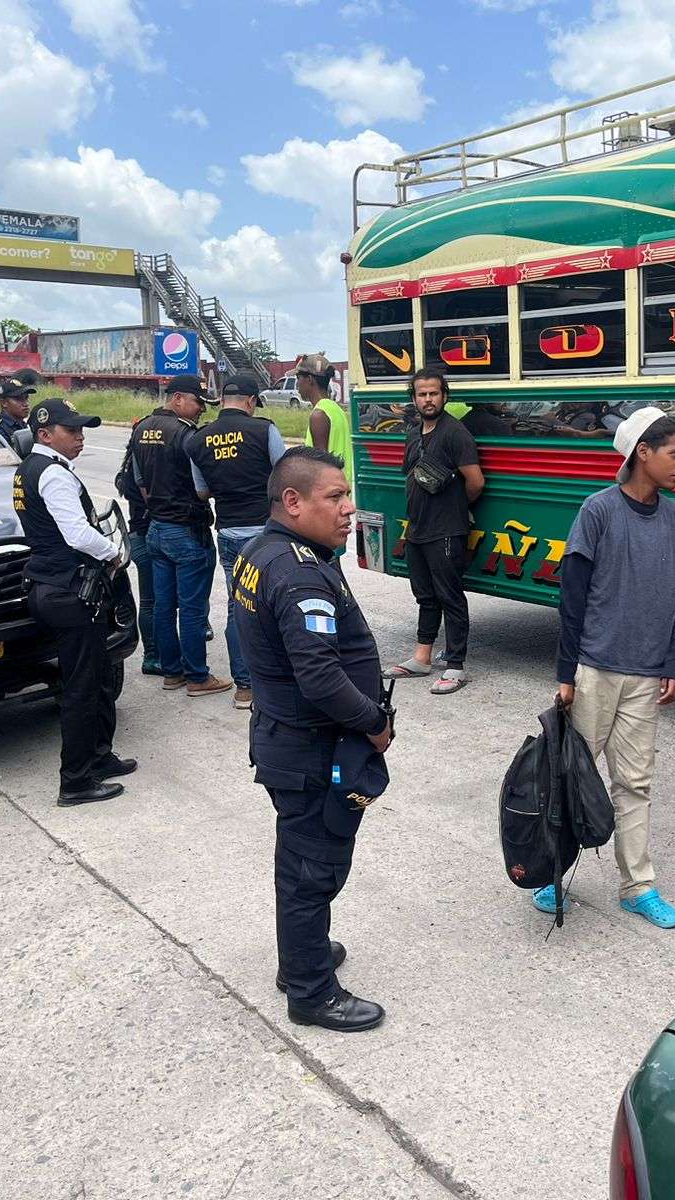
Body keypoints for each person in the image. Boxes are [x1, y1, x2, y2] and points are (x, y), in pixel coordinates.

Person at [233, 447, 393, 1033]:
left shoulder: (263, 551)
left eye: (347, 495)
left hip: (286, 738)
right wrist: (373, 723)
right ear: (293, 502)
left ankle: (301, 958)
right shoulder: (296, 569)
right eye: (335, 497)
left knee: (297, 860)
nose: (349, 508)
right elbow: (320, 674)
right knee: (312, 868)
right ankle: (310, 993)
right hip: (308, 747)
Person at [539, 407, 675, 930]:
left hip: (647, 675)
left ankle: (638, 887)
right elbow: (574, 596)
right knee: (573, 777)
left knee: (635, 784)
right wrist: (567, 673)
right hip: (595, 670)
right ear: (642, 453)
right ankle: (551, 873)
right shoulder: (598, 511)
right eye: (674, 454)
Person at [14, 399, 136, 806]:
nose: (81, 437)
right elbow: (78, 535)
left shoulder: (31, 469)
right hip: (68, 591)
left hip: (55, 585)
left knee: (99, 675)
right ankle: (76, 781)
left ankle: (100, 757)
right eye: (73, 430)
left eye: (82, 429)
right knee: (81, 687)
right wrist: (114, 553)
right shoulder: (52, 474)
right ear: (46, 434)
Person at [186, 373, 287, 710]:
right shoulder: (264, 430)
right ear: (250, 401)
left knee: (237, 605)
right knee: (278, 604)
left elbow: (202, 492)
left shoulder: (198, 440)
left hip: (228, 533)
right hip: (266, 533)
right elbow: (285, 476)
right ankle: (279, 681)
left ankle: (245, 687)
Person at [383, 368, 485, 695]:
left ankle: (456, 665)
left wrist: (456, 509)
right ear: (413, 399)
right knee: (425, 597)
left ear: (444, 396)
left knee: (450, 597)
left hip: (446, 531)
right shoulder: (413, 433)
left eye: (434, 393)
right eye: (422, 394)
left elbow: (476, 481)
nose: (428, 399)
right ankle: (422, 658)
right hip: (417, 529)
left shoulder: (456, 434)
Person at [129, 375, 232, 698]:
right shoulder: (187, 436)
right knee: (191, 608)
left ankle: (171, 672)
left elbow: (139, 483)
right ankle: (197, 677)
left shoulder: (142, 429)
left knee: (163, 605)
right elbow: (204, 488)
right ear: (177, 399)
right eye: (198, 401)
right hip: (187, 529)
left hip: (156, 528)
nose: (202, 409)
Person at [117, 407, 164, 676]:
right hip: (149, 536)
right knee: (158, 601)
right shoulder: (145, 467)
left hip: (137, 536)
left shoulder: (129, 465)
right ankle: (155, 655)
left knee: (149, 600)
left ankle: (152, 654)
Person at [299, 353, 352, 487]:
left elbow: (320, 466)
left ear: (310, 379)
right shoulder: (336, 409)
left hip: (327, 493)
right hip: (340, 488)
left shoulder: (319, 415)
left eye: (299, 378)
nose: (297, 383)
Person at [0, 369, 39, 442]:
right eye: (19, 399)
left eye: (26, 398)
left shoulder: (24, 425)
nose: (25, 403)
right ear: (4, 403)